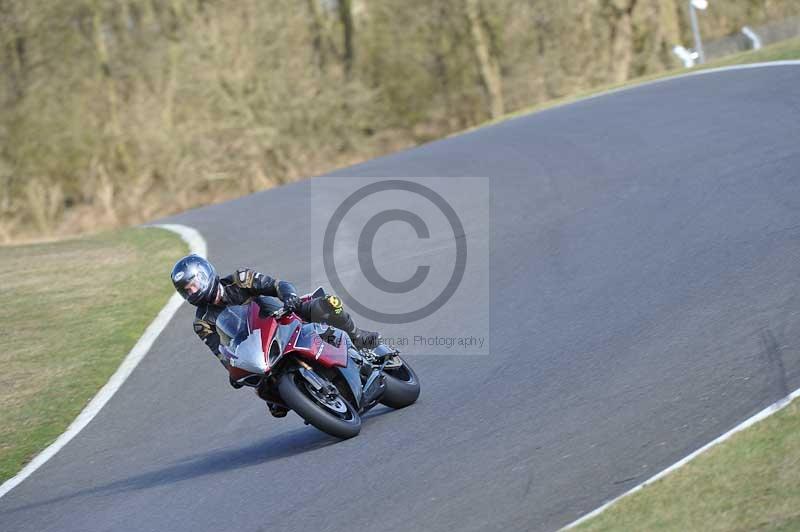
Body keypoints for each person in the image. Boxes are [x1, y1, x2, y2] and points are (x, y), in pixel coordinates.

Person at [170, 254, 380, 416]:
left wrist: (289, 298)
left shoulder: (240, 280)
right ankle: (306, 399)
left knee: (327, 305)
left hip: (284, 317)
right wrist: (232, 371)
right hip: (258, 349)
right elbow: (221, 352)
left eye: (194, 285)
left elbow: (277, 285)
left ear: (205, 275)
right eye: (186, 291)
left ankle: (357, 337)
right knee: (272, 401)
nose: (192, 292)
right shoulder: (202, 322)